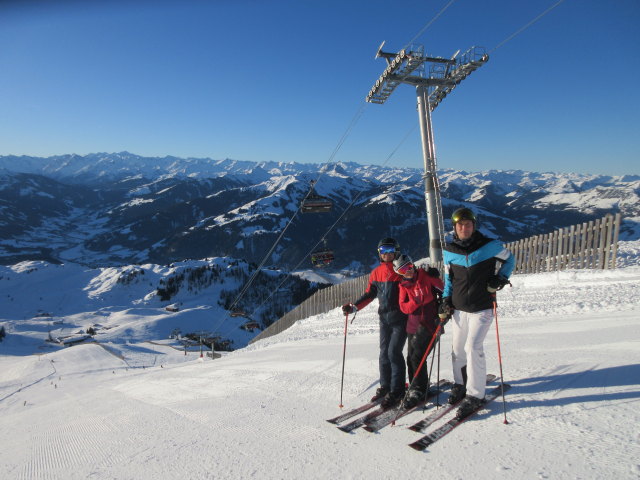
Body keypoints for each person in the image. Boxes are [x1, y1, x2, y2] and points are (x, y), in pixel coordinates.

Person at [439, 207, 514, 419]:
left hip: (482, 307)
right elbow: (449, 279)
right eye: (460, 225)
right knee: (457, 350)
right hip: (459, 309)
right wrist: (445, 299)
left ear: (474, 226)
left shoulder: (490, 246)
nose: (464, 228)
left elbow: (510, 260)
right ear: (454, 228)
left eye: (468, 224)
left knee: (473, 347)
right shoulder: (449, 251)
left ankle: (475, 395)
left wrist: (500, 278)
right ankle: (460, 384)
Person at [342, 238, 407, 408]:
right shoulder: (376, 273)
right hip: (384, 319)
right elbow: (370, 294)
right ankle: (385, 386)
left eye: (390, 250)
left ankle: (397, 389)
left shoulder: (401, 270)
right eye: (383, 251)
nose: (387, 254)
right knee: (384, 353)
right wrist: (354, 307)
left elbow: (413, 284)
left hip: (400, 318)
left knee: (394, 352)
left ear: (397, 251)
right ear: (379, 253)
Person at [393, 254, 444, 409]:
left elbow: (443, 289)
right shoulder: (403, 286)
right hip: (413, 325)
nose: (407, 272)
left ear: (413, 265)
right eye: (402, 271)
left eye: (408, 267)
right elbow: (403, 306)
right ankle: (416, 385)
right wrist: (416, 301)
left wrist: (436, 276)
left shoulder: (425, 277)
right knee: (411, 357)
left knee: (418, 356)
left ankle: (419, 389)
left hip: (430, 323)